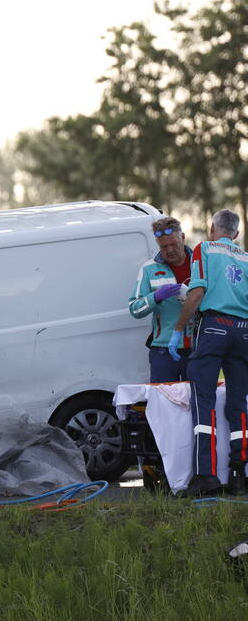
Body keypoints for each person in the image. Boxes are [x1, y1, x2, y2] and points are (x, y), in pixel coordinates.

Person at [170, 210, 248, 496]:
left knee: (204, 399)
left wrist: (179, 328)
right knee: (239, 402)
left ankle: (207, 476)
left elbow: (197, 292)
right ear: (236, 234)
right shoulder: (246, 258)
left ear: (212, 227)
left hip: (215, 325)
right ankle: (240, 473)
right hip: (244, 331)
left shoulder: (205, 248)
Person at [129, 216, 195, 382]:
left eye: (174, 244)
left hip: (197, 348)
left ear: (183, 238)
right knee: (164, 403)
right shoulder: (149, 269)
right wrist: (155, 297)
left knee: (197, 402)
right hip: (163, 350)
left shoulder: (200, 264)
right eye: (164, 246)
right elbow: (134, 309)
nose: (170, 250)